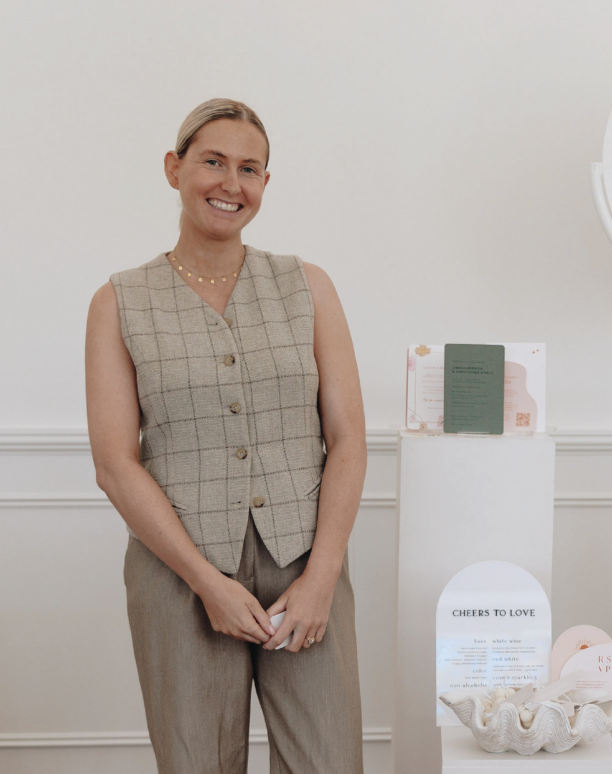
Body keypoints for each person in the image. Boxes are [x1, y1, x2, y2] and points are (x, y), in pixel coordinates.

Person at [85, 98, 366, 773]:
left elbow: (348, 436)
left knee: (326, 760)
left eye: (250, 169)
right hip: (177, 571)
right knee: (196, 762)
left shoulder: (309, 286)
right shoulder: (120, 301)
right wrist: (206, 582)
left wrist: (322, 574)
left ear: (265, 184)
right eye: (213, 161)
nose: (230, 184)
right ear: (174, 168)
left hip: (304, 559)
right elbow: (116, 464)